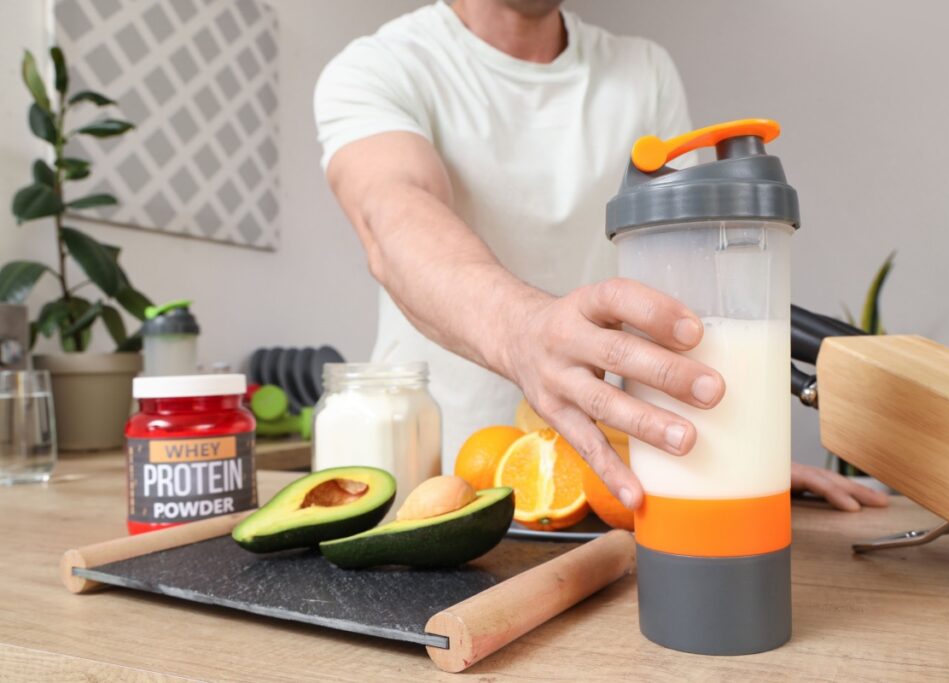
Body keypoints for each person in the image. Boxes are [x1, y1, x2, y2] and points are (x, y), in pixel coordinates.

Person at [314, 0, 888, 512]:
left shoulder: (644, 71)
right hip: (432, 489)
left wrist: (728, 457)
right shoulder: (380, 66)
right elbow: (393, 217)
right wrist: (523, 330)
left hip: (608, 484)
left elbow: (690, 279)